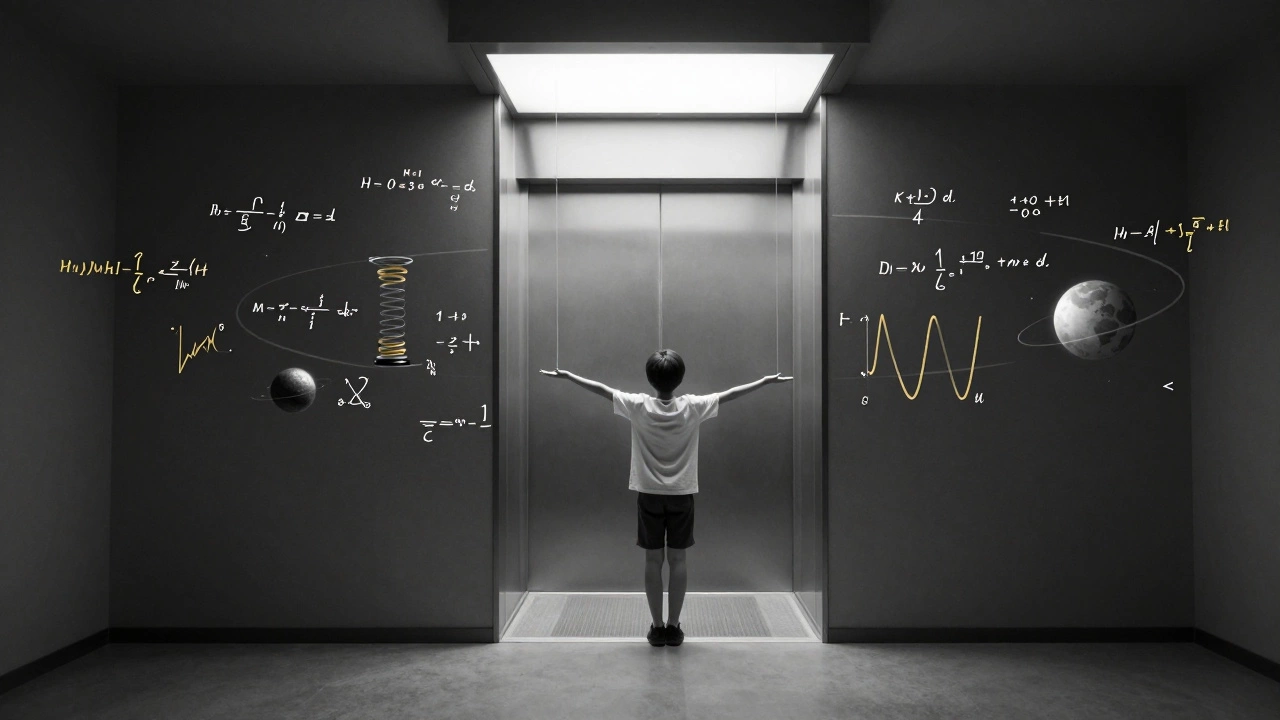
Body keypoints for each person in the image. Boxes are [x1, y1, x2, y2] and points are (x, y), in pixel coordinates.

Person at [540, 349, 792, 647]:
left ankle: (657, 627)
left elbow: (601, 389)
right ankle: (674, 627)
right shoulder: (693, 407)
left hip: (648, 495)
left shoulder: (637, 406)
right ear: (680, 378)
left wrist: (569, 376)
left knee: (652, 559)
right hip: (682, 495)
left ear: (650, 378)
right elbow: (731, 394)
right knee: (678, 559)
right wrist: (763, 381)